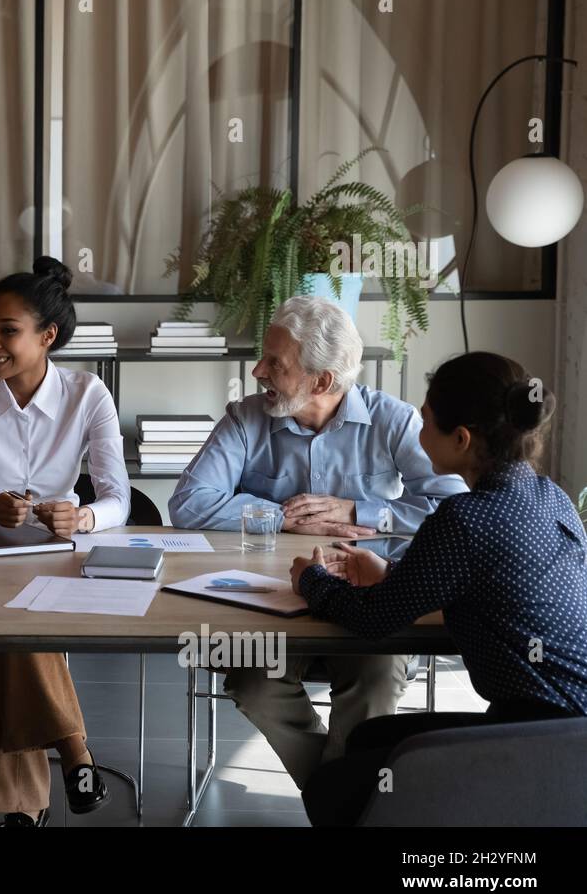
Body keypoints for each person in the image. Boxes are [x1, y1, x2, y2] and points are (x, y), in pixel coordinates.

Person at [168, 295, 468, 789]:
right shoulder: (246, 419)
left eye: (275, 363)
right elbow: (189, 503)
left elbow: (452, 506)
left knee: (376, 681)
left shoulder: (391, 420)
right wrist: (282, 518)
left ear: (322, 381)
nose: (258, 370)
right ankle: (340, 795)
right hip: (268, 599)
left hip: (371, 598)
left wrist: (359, 511)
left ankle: (338, 797)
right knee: (252, 681)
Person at [290, 352, 587, 825]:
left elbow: (373, 621)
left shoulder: (464, 519)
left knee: (333, 790)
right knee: (370, 741)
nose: (417, 430)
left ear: (462, 439)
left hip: (543, 741)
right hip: (567, 725)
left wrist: (312, 580)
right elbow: (491, 583)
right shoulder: (552, 497)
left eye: (425, 420)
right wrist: (391, 573)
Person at [0, 256, 131, 827]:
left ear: (48, 336)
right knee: (16, 617)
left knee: (14, 629)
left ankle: (24, 809)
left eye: (7, 331)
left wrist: (84, 518)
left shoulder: (88, 393)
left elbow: (119, 497)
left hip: (62, 558)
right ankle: (75, 751)